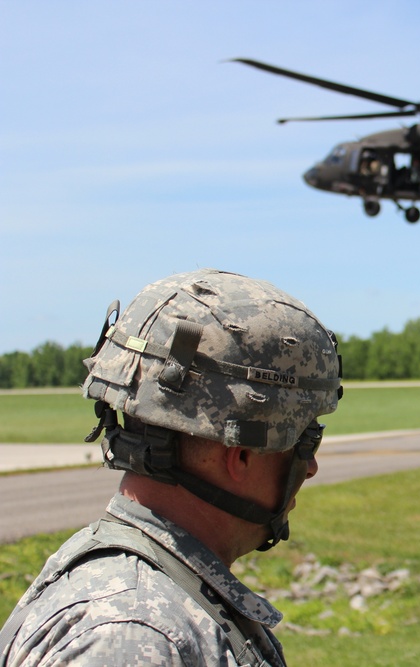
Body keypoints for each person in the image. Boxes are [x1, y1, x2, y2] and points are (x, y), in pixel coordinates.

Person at [0, 268, 343, 666]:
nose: (313, 467)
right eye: (307, 441)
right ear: (242, 455)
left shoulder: (152, 600)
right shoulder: (134, 633)